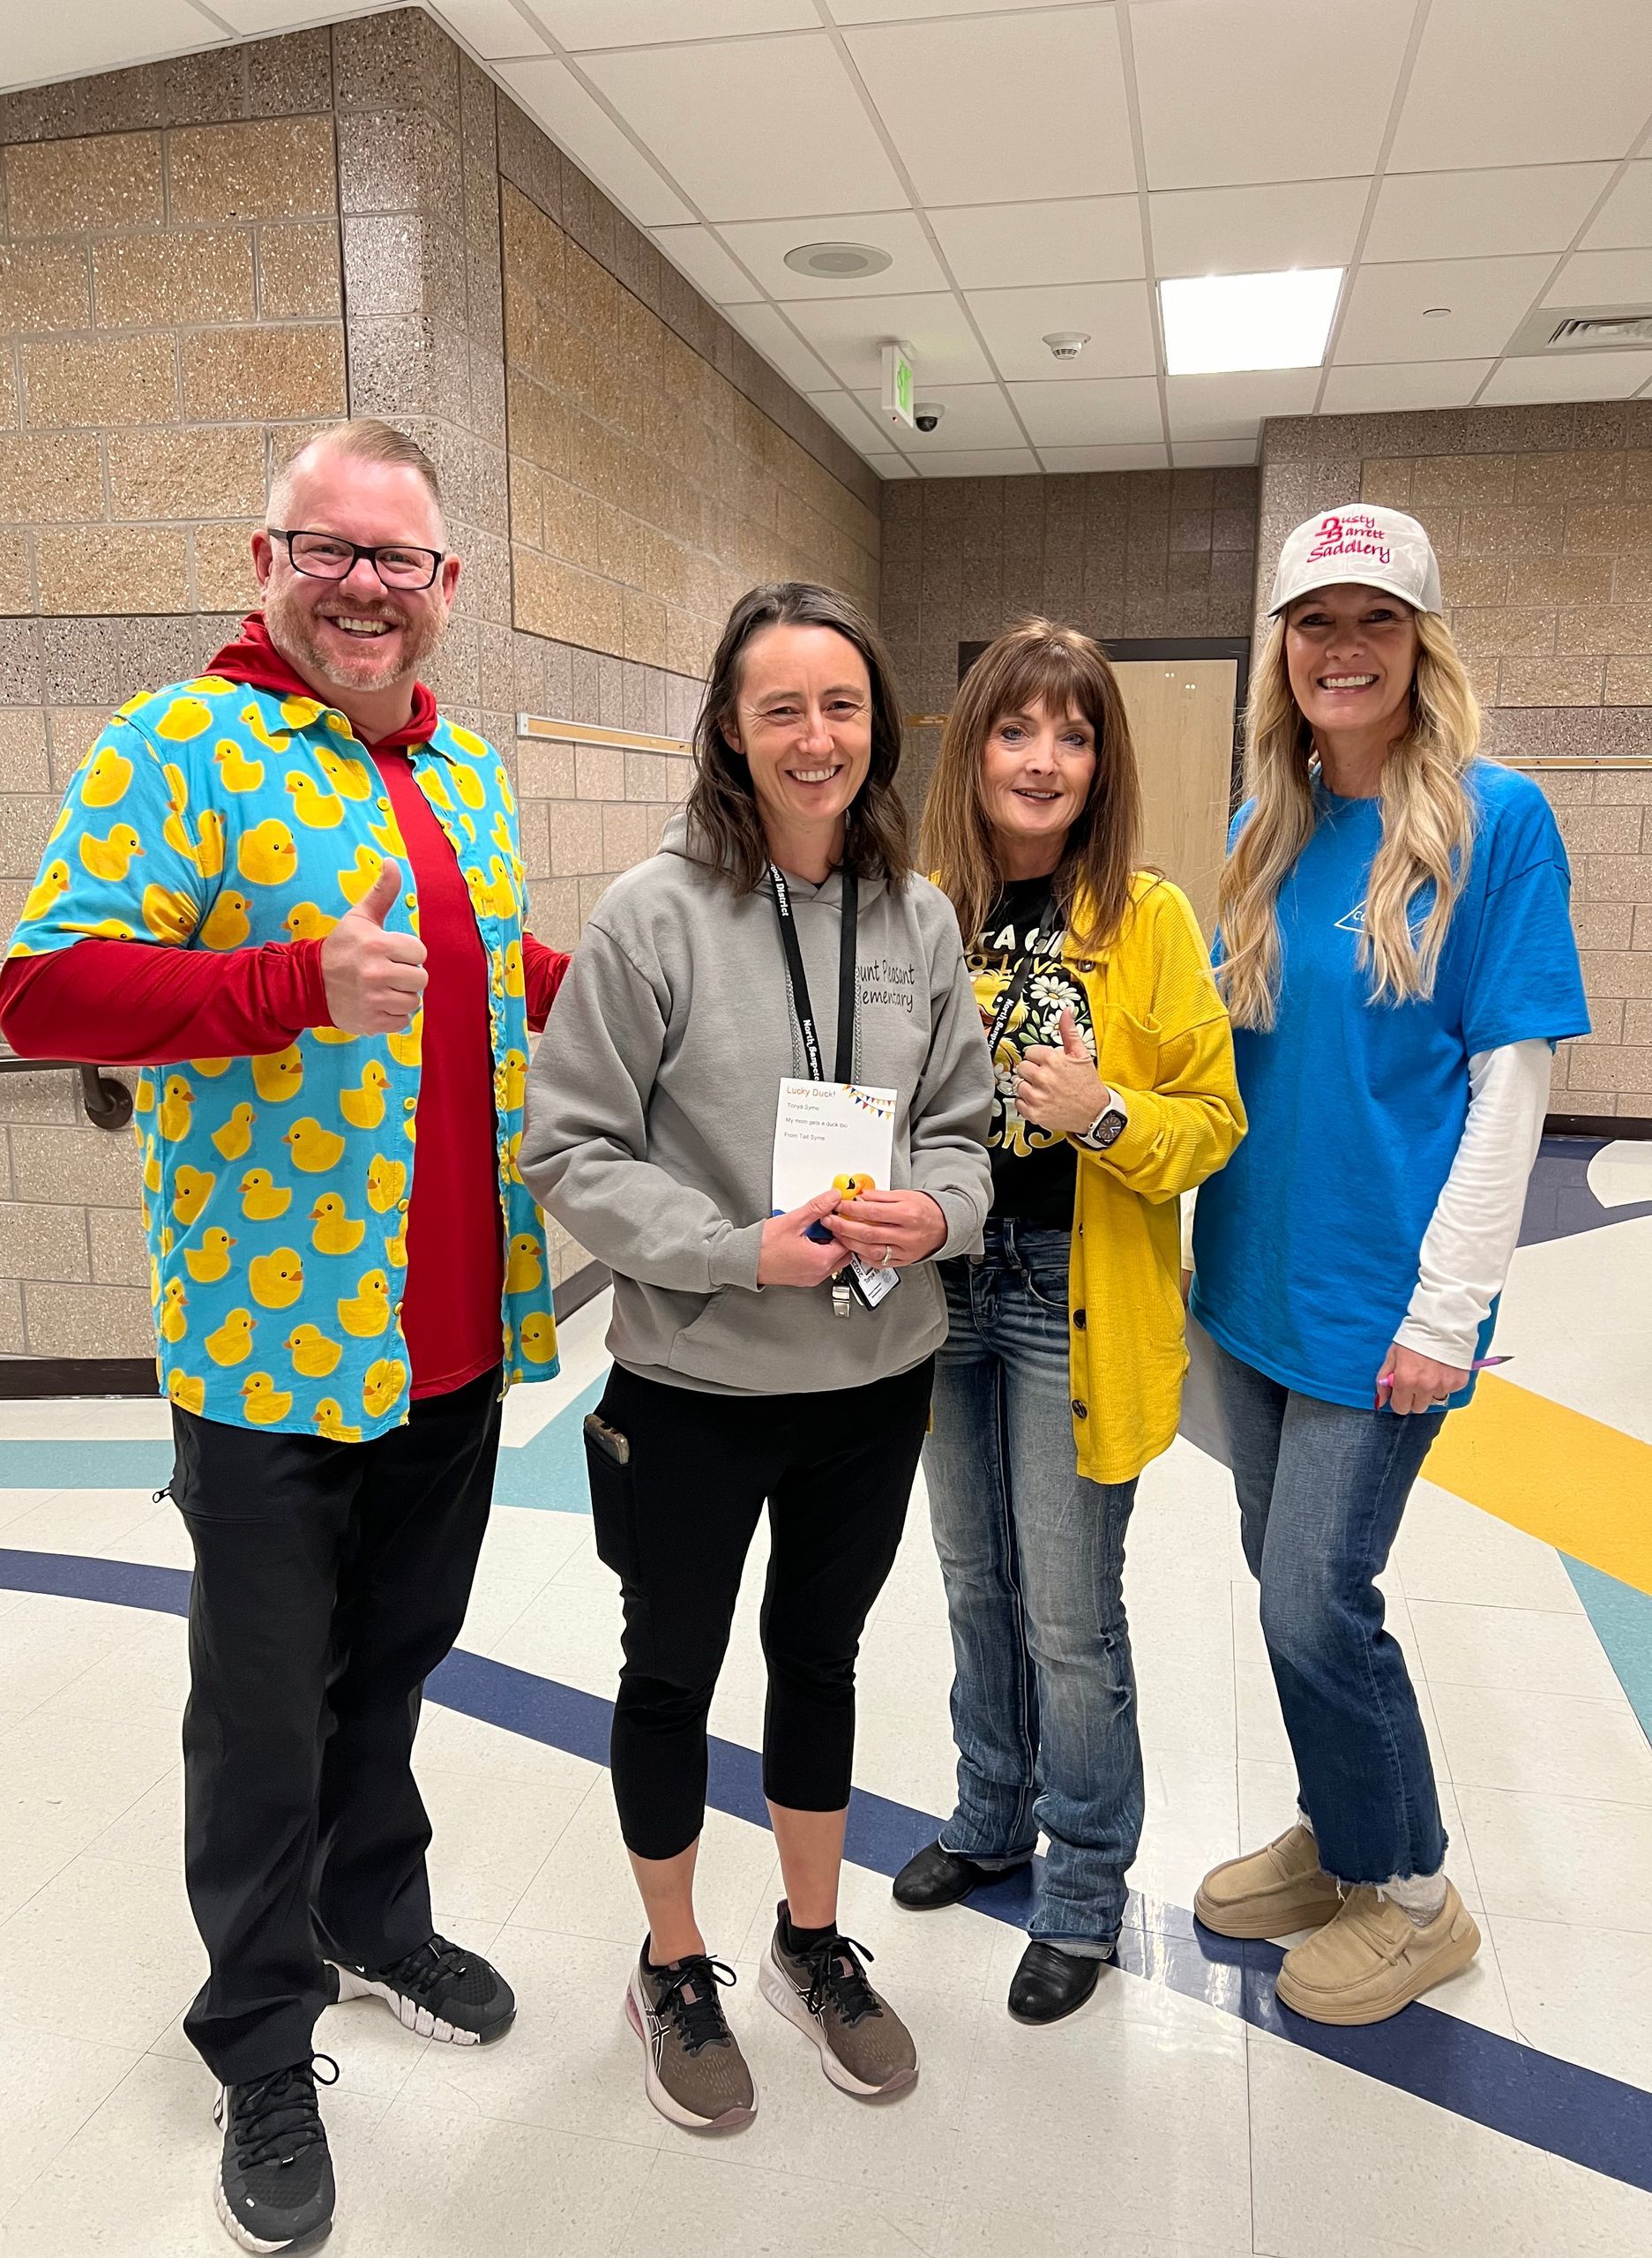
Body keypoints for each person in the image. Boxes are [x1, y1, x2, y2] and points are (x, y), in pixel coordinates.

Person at [0, 419, 568, 2252]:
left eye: (398, 559)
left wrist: (650, 980)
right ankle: (257, 2033)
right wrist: (282, 981)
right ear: (267, 561)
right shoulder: (179, 750)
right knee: (261, 1712)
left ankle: (371, 1908)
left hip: (456, 1341)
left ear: (446, 589)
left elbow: (505, 982)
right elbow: (44, 986)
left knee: (393, 1666)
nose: (365, 587)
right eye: (329, 549)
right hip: (266, 1350)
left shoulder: (464, 772)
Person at [522, 580, 993, 2129]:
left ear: (878, 727)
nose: (814, 738)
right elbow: (573, 1151)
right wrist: (736, 1249)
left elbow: (963, 1125)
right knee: (669, 1674)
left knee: (823, 1656)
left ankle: (809, 1938)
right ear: (729, 728)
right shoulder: (654, 917)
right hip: (701, 1387)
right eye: (780, 708)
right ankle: (674, 1962)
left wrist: (938, 1209)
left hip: (874, 1378)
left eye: (840, 707)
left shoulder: (919, 915)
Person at [1188, 505, 1590, 2023]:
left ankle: (1415, 1892)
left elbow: (1512, 1083)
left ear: (1424, 643)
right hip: (1249, 1289)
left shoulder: (1500, 821)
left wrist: (1446, 1312)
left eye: (1374, 621)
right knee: (1279, 1583)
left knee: (1315, 1605)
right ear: (1281, 652)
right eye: (1314, 624)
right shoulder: (1262, 827)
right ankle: (1345, 1838)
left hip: (1383, 1310)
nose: (1341, 650)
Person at [889, 619, 1245, 2022]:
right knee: (972, 1583)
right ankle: (991, 1818)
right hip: (942, 1292)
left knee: (1069, 1615)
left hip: (1067, 1302)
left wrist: (1100, 1110)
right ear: (974, 749)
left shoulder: (1148, 920)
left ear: (1102, 764)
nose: (1043, 759)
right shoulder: (922, 908)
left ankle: (1086, 1888)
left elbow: (1211, 1119)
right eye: (1016, 729)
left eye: (1075, 734)